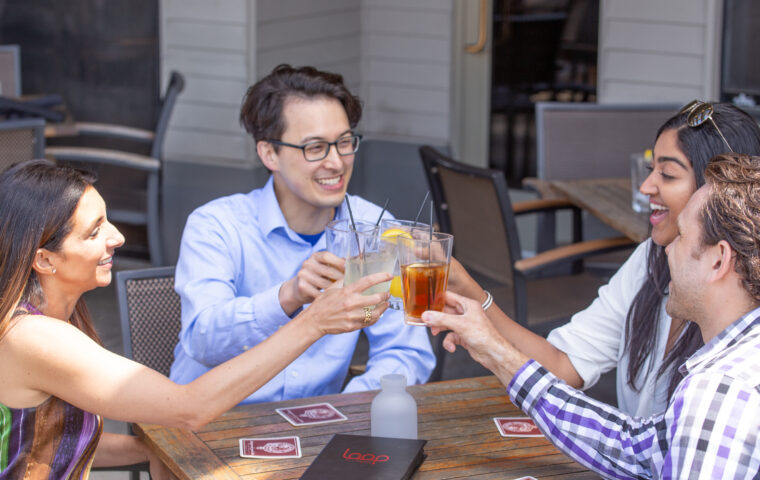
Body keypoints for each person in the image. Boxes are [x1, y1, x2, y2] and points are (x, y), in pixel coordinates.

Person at [0, 160, 392, 479]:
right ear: (45, 260)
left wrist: (147, 450)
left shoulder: (49, 321)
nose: (117, 237)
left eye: (108, 220)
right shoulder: (33, 337)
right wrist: (313, 323)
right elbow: (191, 408)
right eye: (94, 232)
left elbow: (49, 439)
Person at [424, 153, 760, 478]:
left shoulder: (722, 391)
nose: (668, 248)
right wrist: (496, 351)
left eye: (683, 236)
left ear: (718, 261)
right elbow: (634, 449)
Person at [446, 101, 760, 416]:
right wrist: (470, 293)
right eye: (652, 170)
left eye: (667, 174)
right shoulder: (651, 259)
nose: (645, 186)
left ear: (720, 193)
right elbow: (564, 364)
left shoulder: (742, 333)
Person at [169, 64, 435, 402]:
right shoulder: (216, 225)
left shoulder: (377, 228)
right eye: (314, 148)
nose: (337, 163)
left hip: (318, 426)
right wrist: (288, 296)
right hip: (211, 423)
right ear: (269, 153)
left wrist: (344, 410)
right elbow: (202, 340)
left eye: (344, 142)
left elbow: (405, 351)